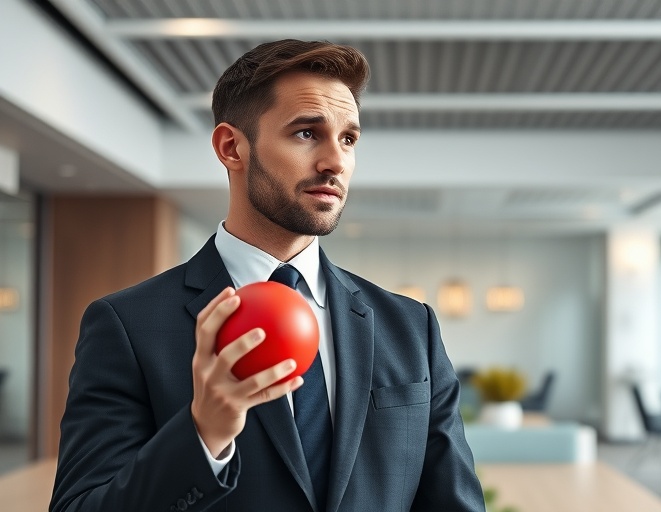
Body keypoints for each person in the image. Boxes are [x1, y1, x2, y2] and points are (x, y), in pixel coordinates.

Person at [50, 39, 485, 512]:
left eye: (348, 139)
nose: (335, 162)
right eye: (305, 133)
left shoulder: (410, 326)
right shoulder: (127, 325)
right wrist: (202, 435)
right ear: (231, 147)